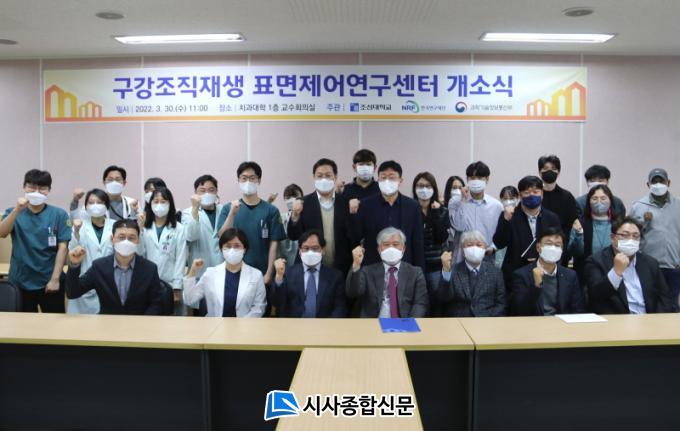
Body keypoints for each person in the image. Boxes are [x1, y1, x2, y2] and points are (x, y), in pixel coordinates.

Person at [0, 169, 71, 312]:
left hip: (50, 279)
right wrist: (16, 210)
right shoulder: (12, 212)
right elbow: (2, 233)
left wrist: (55, 279)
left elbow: (63, 248)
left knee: (55, 322)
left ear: (49, 190)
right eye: (32, 187)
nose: (37, 192)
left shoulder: (59, 214)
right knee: (23, 323)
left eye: (42, 188)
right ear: (24, 187)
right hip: (21, 280)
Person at [66, 219, 164, 315]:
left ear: (138, 240)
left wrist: (143, 322)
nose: (126, 242)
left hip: (139, 323)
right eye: (121, 237)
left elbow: (157, 303)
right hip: (108, 322)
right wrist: (74, 265)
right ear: (112, 239)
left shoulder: (150, 269)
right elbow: (72, 292)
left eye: (131, 238)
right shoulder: (99, 266)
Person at [585, 217, 675, 314]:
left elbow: (664, 298)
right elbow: (595, 296)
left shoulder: (650, 263)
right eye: (625, 235)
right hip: (617, 320)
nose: (631, 240)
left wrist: (657, 320)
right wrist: (616, 273)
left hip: (649, 319)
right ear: (613, 238)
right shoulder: (596, 261)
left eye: (635, 236)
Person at [216, 162, 286, 287]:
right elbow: (221, 236)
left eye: (252, 178)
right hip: (234, 272)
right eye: (244, 178)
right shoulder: (228, 208)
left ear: (259, 180)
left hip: (262, 272)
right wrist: (232, 214)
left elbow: (274, 244)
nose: (248, 182)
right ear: (238, 180)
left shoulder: (271, 211)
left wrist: (269, 273)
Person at [351, 160, 425, 270]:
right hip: (374, 266)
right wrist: (353, 214)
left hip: (404, 266)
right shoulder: (366, 205)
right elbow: (356, 236)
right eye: (383, 177)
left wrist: (419, 271)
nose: (387, 181)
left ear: (400, 180)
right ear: (378, 180)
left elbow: (417, 242)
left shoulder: (412, 206)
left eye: (392, 177)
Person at [288, 158, 353, 274]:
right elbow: (293, 235)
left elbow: (352, 237)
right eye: (319, 176)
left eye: (328, 175)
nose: (324, 179)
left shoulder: (345, 203)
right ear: (314, 177)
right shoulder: (303, 203)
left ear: (335, 177)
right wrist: (295, 215)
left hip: (341, 267)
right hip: (309, 267)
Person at [493, 175, 561, 286]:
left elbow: (558, 244)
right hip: (515, 275)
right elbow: (499, 243)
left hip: (544, 272)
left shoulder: (552, 218)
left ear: (542, 194)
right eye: (527, 192)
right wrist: (505, 220)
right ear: (520, 195)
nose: (531, 195)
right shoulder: (509, 215)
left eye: (535, 192)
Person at [346, 227, 429, 318]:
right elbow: (353, 292)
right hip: (374, 323)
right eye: (386, 244)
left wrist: (409, 323)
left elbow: (420, 303)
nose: (391, 248)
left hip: (404, 322)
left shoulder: (415, 272)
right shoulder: (367, 271)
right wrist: (356, 264)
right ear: (379, 249)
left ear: (403, 248)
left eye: (395, 244)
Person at [183, 228, 266, 317]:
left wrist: (242, 324)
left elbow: (259, 307)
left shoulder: (256, 275)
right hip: (215, 324)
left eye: (237, 246)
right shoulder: (210, 274)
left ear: (244, 249)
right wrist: (192, 271)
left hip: (245, 324)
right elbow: (189, 299)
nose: (232, 250)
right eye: (228, 246)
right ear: (222, 249)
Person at [629, 168, 680, 310]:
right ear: (648, 184)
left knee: (672, 305)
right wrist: (644, 222)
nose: (658, 184)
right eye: (654, 181)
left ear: (668, 183)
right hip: (649, 266)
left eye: (661, 181)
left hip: (673, 265)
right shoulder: (639, 206)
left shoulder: (678, 204)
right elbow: (630, 235)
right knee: (649, 303)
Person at [510, 226, 585, 316]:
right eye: (549, 244)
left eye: (557, 245)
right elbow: (520, 310)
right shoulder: (521, 275)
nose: (553, 248)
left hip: (561, 322)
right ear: (538, 247)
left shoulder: (570, 275)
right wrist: (536, 286)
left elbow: (577, 310)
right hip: (534, 322)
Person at [273, 229, 347, 318]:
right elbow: (278, 302)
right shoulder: (288, 273)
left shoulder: (336, 277)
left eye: (315, 248)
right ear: (300, 250)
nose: (310, 252)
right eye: (306, 248)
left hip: (324, 325)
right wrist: (279, 278)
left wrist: (329, 325)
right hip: (294, 325)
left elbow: (340, 308)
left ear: (323, 250)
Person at [139, 187, 187, 315]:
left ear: (170, 204)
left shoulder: (179, 228)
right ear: (150, 204)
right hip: (147, 283)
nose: (159, 205)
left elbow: (181, 258)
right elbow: (139, 254)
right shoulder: (144, 228)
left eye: (163, 201)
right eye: (156, 201)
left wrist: (177, 287)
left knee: (170, 320)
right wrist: (139, 231)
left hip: (170, 282)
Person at [67, 188, 115, 314]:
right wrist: (76, 233)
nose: (95, 206)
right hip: (84, 281)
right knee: (81, 325)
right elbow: (72, 251)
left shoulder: (115, 226)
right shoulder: (79, 226)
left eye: (99, 202)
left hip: (109, 283)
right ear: (86, 206)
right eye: (91, 202)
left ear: (107, 205)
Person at [438, 230, 506, 317]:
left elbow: (501, 303)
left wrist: (490, 321)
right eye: (469, 245)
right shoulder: (453, 270)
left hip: (487, 320)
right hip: (459, 321)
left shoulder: (495, 272)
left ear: (485, 248)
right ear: (462, 250)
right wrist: (446, 271)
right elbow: (444, 297)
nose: (474, 248)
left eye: (479, 245)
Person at [568, 185, 622, 292]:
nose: (599, 202)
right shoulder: (580, 223)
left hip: (614, 272)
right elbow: (574, 252)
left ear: (610, 201)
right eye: (594, 198)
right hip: (586, 276)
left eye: (603, 198)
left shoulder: (619, 224)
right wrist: (579, 234)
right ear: (589, 202)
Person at [449, 161, 503, 263]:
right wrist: (463, 201)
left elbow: (500, 233)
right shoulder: (455, 201)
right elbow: (459, 227)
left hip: (487, 257)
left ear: (487, 179)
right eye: (472, 178)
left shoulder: (496, 206)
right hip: (461, 258)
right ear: (467, 179)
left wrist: (493, 248)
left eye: (480, 178)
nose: (476, 181)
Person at [412, 172, 449, 316]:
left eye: (428, 186)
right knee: (418, 302)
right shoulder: (410, 209)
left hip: (435, 266)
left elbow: (441, 237)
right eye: (420, 186)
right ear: (415, 188)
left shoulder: (442, 210)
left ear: (434, 189)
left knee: (436, 302)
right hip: (415, 265)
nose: (424, 189)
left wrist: (435, 213)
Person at [182, 175, 224, 279]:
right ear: (195, 193)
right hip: (200, 271)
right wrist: (195, 209)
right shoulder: (187, 213)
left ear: (216, 191)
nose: (207, 194)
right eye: (202, 191)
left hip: (221, 269)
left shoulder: (223, 210)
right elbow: (191, 236)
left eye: (211, 190)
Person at [537, 155, 579, 256]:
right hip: (538, 247)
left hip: (560, 248)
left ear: (558, 172)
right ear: (540, 172)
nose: (549, 171)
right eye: (546, 168)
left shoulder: (567, 196)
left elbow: (571, 224)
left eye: (553, 169)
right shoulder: (535, 196)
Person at [70, 165, 138, 221]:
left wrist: (134, 214)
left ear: (124, 183)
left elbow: (138, 225)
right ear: (104, 182)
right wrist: (75, 201)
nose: (114, 183)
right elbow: (78, 220)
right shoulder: (93, 203)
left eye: (118, 179)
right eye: (110, 179)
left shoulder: (132, 203)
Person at [342, 149, 381, 213]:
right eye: (361, 164)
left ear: (374, 168)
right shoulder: (345, 190)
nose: (365, 168)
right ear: (354, 167)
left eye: (368, 164)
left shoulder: (381, 189)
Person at [278, 184, 303, 266]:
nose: (292, 199)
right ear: (284, 199)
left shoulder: (307, 217)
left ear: (302, 197)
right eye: (288, 197)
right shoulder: (280, 217)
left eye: (295, 196)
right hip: (284, 260)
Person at [494, 186, 519, 268]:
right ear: (501, 199)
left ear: (517, 198)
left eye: (511, 198)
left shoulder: (520, 214)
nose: (508, 201)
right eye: (505, 198)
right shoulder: (501, 214)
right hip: (501, 252)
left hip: (516, 252)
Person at [443, 175, 466, 263]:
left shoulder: (466, 206)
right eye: (454, 188)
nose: (458, 190)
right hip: (447, 251)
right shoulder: (442, 209)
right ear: (449, 190)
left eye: (460, 188)